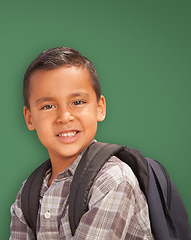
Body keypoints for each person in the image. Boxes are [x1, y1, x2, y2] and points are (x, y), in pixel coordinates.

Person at [9, 47, 154, 239]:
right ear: (29, 118)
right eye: (48, 106)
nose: (64, 117)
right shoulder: (28, 193)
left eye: (77, 102)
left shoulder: (112, 180)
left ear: (100, 108)